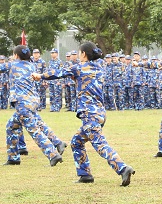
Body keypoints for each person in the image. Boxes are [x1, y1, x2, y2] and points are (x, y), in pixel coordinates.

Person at [35, 42, 135, 186]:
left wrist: (40, 75)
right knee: (76, 142)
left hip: (89, 114)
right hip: (100, 113)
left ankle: (123, 168)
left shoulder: (79, 68)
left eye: (79, 52)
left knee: (100, 144)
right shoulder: (99, 67)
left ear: (83, 54)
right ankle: (85, 175)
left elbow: (58, 73)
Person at [0, 45, 66, 167]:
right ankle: (14, 158)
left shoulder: (13, 65)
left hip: (22, 102)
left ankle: (53, 155)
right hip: (33, 100)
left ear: (16, 55)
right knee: (12, 126)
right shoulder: (32, 65)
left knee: (33, 129)